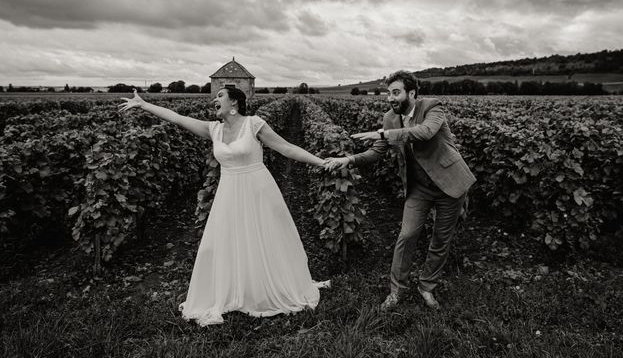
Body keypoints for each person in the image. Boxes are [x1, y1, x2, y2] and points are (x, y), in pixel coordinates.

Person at [119, 87, 329, 326]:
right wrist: (145, 105)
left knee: (264, 238)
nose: (214, 99)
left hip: (258, 189)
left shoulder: (254, 124)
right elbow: (177, 118)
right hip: (229, 192)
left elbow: (287, 148)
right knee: (229, 240)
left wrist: (320, 163)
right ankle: (235, 290)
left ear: (235, 103)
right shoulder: (214, 129)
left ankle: (264, 289)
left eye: (220, 96)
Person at [325, 70, 475, 310]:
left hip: (449, 184)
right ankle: (396, 291)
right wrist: (349, 160)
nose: (390, 98)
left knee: (440, 240)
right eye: (388, 93)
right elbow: (377, 151)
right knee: (406, 236)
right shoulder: (390, 119)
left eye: (396, 93)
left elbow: (424, 132)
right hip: (419, 189)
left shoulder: (432, 107)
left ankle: (427, 287)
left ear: (411, 93)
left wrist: (385, 133)